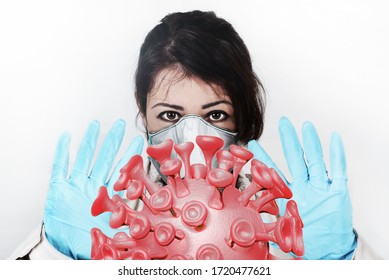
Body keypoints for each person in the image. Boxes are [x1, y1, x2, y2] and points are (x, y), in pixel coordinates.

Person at [9, 10, 357, 260]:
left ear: (243, 114)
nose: (191, 141)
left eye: (216, 114)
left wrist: (338, 263)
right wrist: (53, 256)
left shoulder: (285, 216)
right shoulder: (100, 214)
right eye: (170, 115)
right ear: (143, 111)